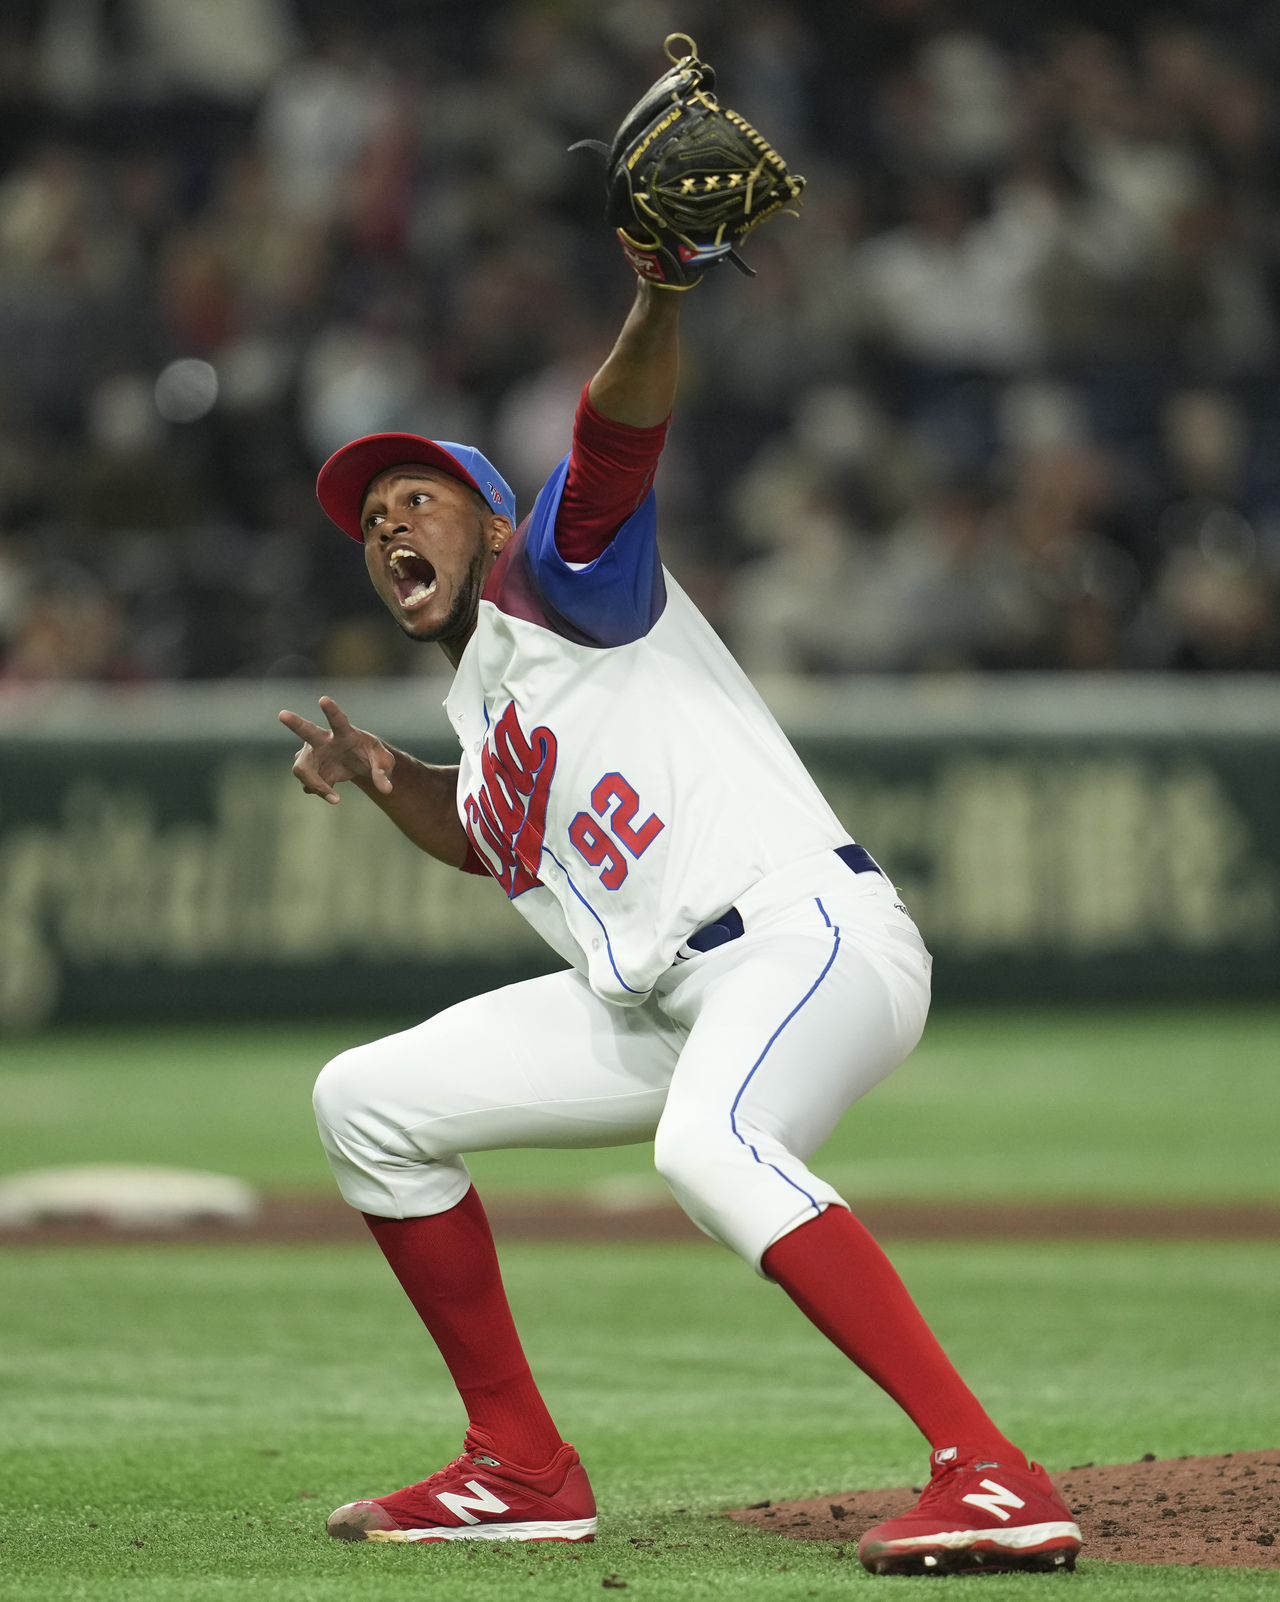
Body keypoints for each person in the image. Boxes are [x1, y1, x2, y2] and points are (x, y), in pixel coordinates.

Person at [280, 266, 1081, 1576]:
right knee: (365, 1102)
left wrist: (656, 298)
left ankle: (990, 1472)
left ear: (494, 524)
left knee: (708, 1144)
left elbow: (613, 441)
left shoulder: (557, 581)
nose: (386, 527)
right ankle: (521, 1467)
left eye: (416, 498)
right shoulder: (487, 717)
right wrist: (384, 777)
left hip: (806, 936)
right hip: (665, 996)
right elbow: (483, 833)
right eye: (370, 520)